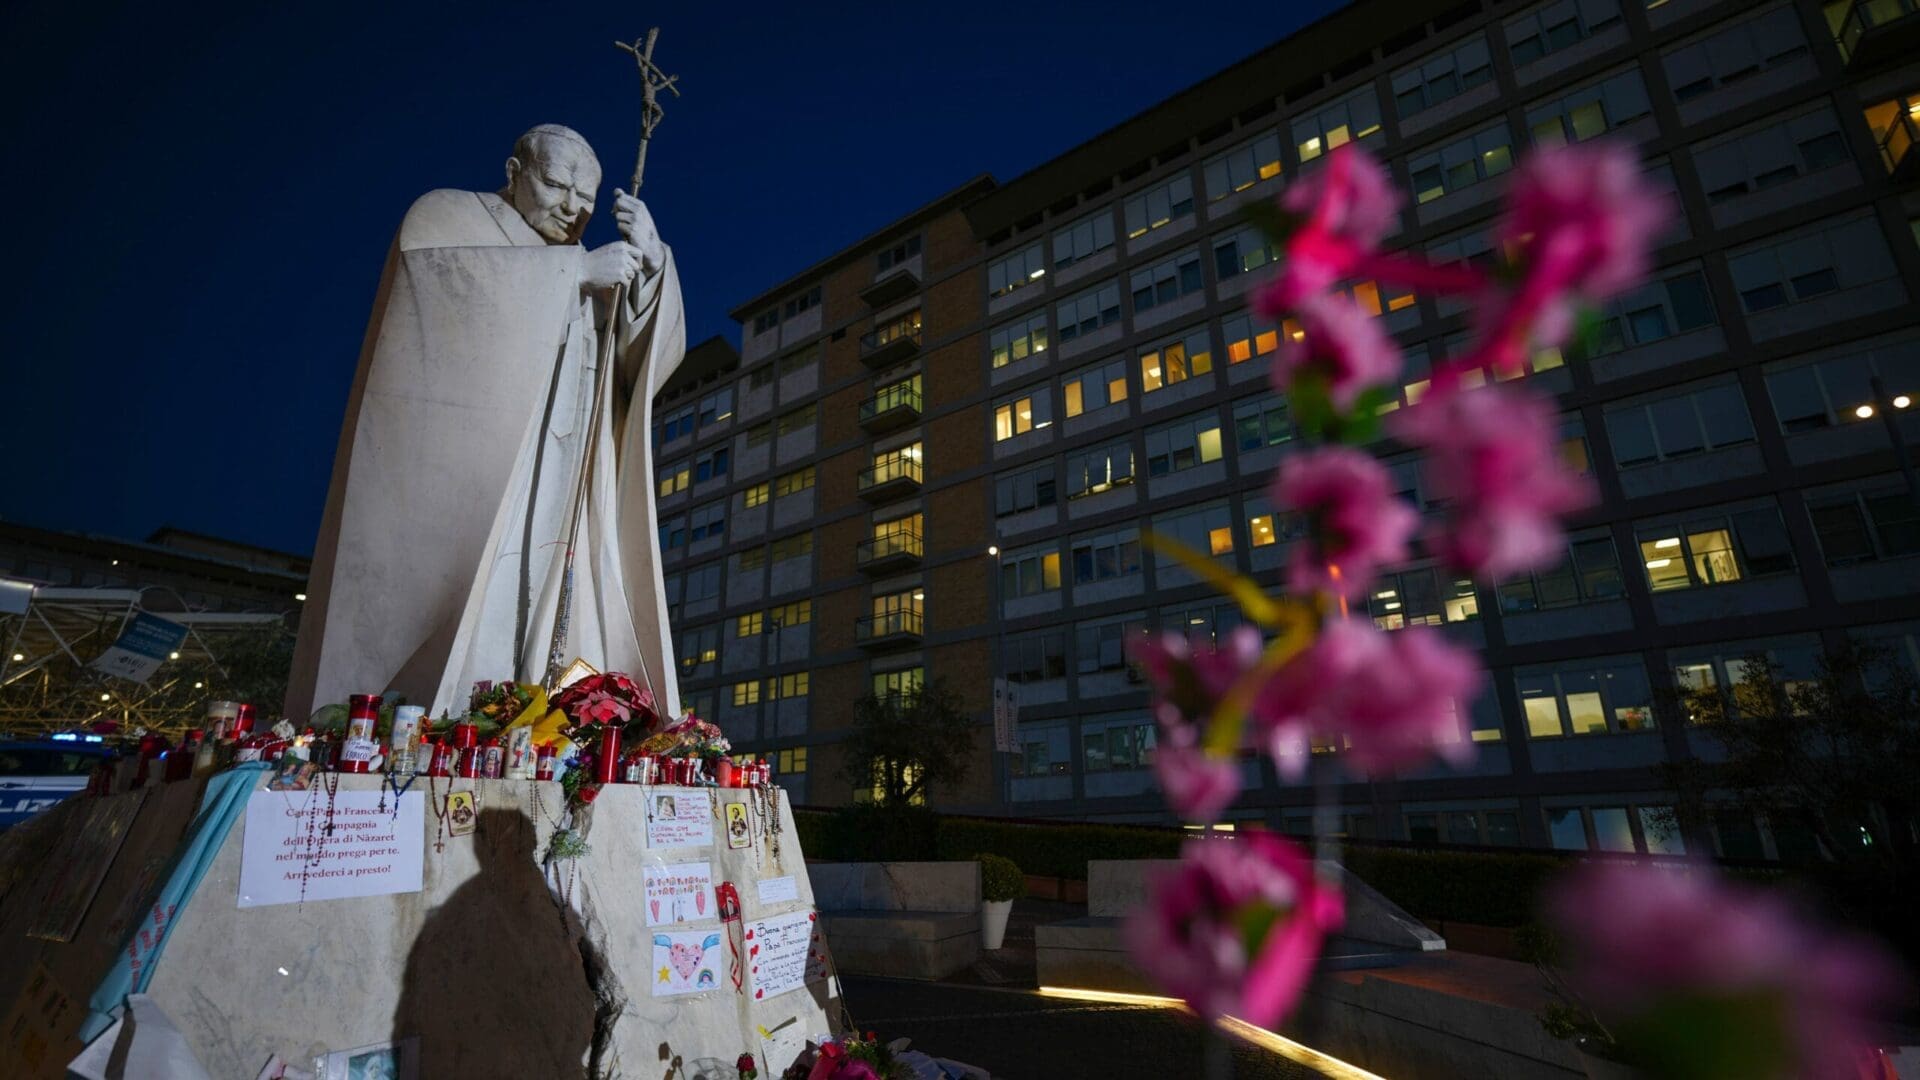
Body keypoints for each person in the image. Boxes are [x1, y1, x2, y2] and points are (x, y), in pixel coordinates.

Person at [287, 124, 684, 723]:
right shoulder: (447, 218)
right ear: (514, 171)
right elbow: (428, 301)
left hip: (563, 471)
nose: (574, 209)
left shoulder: (585, 261)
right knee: (483, 608)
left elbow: (632, 369)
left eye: (587, 198)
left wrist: (651, 264)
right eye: (557, 185)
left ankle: (545, 716)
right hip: (482, 474)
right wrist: (568, 279)